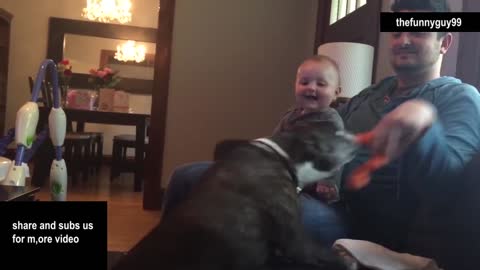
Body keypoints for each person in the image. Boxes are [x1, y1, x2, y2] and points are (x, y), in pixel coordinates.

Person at [162, 0, 480, 256]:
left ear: (445, 42)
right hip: (319, 196)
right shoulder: (370, 95)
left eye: (418, 32)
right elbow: (325, 136)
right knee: (187, 177)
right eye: (397, 33)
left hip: (364, 223)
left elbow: (449, 182)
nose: (403, 40)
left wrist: (423, 127)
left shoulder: (458, 97)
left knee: (246, 201)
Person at [161, 54, 350, 246]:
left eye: (321, 84)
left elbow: (335, 153)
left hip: (309, 185)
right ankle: (169, 240)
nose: (311, 87)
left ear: (336, 92)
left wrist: (329, 182)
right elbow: (273, 142)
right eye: (304, 82)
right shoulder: (290, 115)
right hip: (278, 175)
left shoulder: (330, 120)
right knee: (185, 174)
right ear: (295, 85)